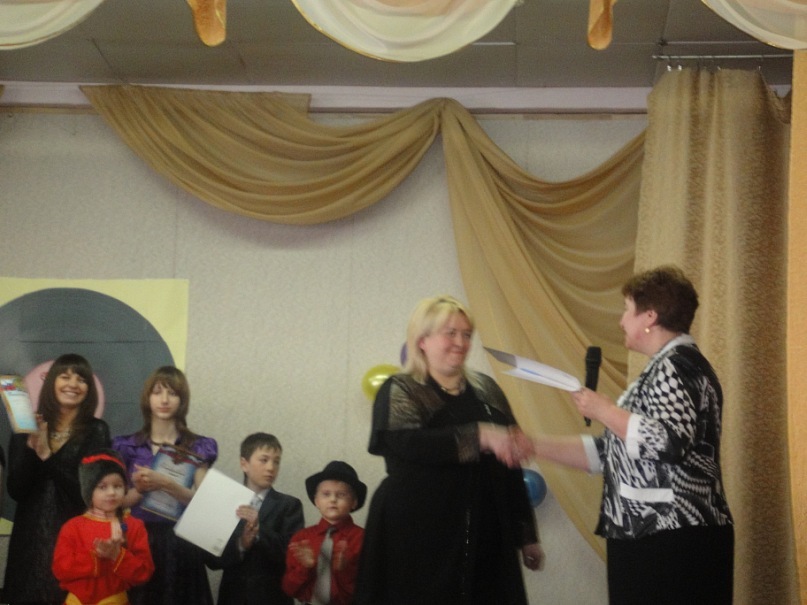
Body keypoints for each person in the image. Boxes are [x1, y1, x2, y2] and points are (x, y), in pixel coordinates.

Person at [531, 265, 734, 604]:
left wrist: (605, 411)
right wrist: (533, 445)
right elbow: (610, 453)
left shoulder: (677, 366)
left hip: (670, 542)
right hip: (656, 538)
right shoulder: (665, 368)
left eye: (627, 310)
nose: (622, 321)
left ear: (650, 317)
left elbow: (668, 442)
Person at [354, 295, 544, 605]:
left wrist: (526, 536)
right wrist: (478, 436)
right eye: (451, 333)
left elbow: (509, 464)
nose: (461, 342)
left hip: (485, 531)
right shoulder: (401, 389)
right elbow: (406, 444)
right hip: (418, 534)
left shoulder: (487, 390)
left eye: (466, 334)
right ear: (422, 340)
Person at [4, 353, 111, 605]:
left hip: (74, 542)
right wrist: (31, 451)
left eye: (81, 379)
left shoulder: (96, 430)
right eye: (65, 376)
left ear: (89, 388)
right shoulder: (28, 425)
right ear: (51, 381)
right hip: (30, 541)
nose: (73, 384)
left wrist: (48, 456)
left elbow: (88, 494)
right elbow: (16, 490)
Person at [112, 366, 218, 605]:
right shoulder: (126, 446)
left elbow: (205, 502)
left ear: (182, 400)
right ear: (147, 398)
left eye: (172, 393)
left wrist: (168, 484)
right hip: (138, 541)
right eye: (157, 392)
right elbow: (117, 504)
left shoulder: (197, 446)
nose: (164, 399)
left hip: (182, 543)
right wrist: (140, 490)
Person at [209, 432, 304, 605]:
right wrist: (241, 545)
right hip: (233, 597)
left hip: (273, 598)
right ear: (244, 464)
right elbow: (212, 560)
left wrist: (259, 530)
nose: (271, 467)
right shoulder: (226, 502)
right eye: (264, 460)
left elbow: (292, 554)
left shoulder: (289, 505)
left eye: (276, 461)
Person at [52, 449, 154, 604]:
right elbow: (60, 570)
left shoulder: (134, 526)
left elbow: (144, 573)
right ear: (89, 492)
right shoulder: (73, 527)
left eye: (117, 486)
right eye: (102, 487)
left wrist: (117, 555)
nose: (111, 492)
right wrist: (96, 557)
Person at [282, 460, 367, 605]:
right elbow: (289, 589)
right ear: (316, 501)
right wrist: (305, 568)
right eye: (326, 494)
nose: (333, 499)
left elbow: (369, 590)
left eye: (341, 494)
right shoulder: (302, 538)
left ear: (354, 502)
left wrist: (345, 570)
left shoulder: (364, 539)